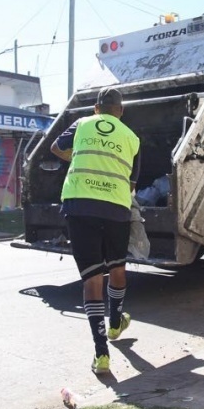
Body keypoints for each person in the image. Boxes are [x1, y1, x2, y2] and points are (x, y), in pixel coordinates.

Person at [51, 87, 141, 374]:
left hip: (80, 206)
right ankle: (115, 322)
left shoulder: (81, 124)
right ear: (121, 111)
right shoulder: (132, 138)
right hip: (115, 208)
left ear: (96, 108)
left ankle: (101, 354)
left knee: (92, 279)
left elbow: (55, 148)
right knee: (117, 268)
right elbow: (131, 183)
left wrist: (80, 156)